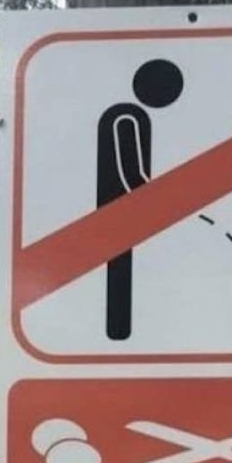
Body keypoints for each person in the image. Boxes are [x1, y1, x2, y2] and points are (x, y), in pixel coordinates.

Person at [97, 59, 184, 340]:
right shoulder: (125, 117)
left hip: (119, 219)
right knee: (119, 275)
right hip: (118, 217)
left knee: (121, 275)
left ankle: (118, 331)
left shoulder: (128, 116)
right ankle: (118, 331)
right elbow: (133, 175)